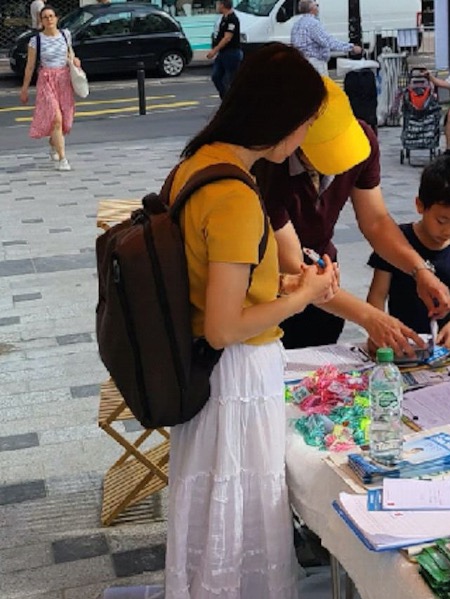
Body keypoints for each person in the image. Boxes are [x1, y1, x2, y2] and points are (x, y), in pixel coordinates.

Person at [163, 43, 338, 597]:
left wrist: (281, 285)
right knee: (238, 517)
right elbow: (223, 325)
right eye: (307, 123)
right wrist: (303, 295)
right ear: (281, 119)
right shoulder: (234, 194)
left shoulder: (199, 161)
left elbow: (217, 284)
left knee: (217, 511)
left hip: (209, 376)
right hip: (233, 376)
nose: (306, 136)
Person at [252, 77, 450, 353]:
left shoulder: (363, 141)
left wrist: (420, 270)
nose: (335, 166)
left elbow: (376, 221)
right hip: (270, 294)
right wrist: (370, 317)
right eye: (324, 155)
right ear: (296, 139)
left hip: (325, 282)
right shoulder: (268, 166)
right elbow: (293, 265)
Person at [367, 155, 450, 349]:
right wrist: (378, 332)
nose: (449, 231)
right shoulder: (396, 243)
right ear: (420, 205)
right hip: (403, 342)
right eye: (442, 221)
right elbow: (377, 296)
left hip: (449, 344)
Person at [19, 5, 78, 172]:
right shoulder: (36, 40)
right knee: (56, 118)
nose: (49, 19)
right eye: (45, 17)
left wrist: (74, 60)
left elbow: (70, 53)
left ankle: (53, 143)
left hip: (64, 79)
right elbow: (29, 67)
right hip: (46, 80)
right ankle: (63, 158)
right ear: (41, 21)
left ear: (57, 18)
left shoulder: (66, 35)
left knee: (65, 120)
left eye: (51, 16)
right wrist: (24, 89)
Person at [290, 0, 361, 76]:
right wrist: (351, 47)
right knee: (321, 86)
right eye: (316, 6)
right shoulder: (313, 24)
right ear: (312, 9)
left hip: (301, 62)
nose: (318, 8)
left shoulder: (296, 24)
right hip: (315, 64)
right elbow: (328, 41)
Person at [207, 0, 242, 100]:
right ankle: (226, 99)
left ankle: (233, 101)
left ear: (223, 5)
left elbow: (227, 38)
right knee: (216, 77)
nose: (217, 6)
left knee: (230, 80)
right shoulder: (223, 18)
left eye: (218, 4)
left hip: (231, 53)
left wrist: (214, 50)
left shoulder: (232, 19)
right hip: (222, 53)